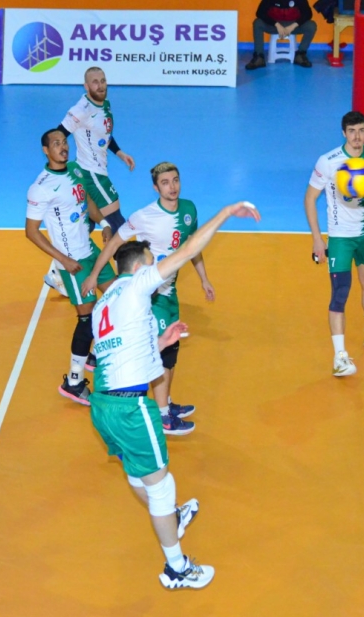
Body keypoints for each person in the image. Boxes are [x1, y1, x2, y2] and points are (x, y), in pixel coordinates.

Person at [89, 200, 260, 590]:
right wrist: (225, 213)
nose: (157, 267)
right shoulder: (138, 285)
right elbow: (188, 250)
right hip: (131, 408)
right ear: (139, 267)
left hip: (103, 406)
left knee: (137, 471)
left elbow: (116, 352)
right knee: (161, 485)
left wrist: (161, 341)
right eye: (153, 262)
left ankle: (170, 516)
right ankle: (177, 568)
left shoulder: (105, 302)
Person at [83, 162, 215, 436]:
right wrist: (94, 274)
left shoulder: (189, 209)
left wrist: (203, 278)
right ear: (156, 188)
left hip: (171, 291)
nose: (172, 187)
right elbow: (114, 243)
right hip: (153, 296)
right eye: (165, 182)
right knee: (162, 354)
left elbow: (192, 248)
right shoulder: (144, 216)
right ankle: (164, 416)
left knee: (171, 353)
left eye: (175, 180)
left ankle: (166, 403)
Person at [25, 128, 117, 406]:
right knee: (86, 320)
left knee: (116, 298)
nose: (63, 147)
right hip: (73, 263)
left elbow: (87, 200)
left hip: (91, 252)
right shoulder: (40, 187)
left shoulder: (75, 170)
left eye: (64, 142)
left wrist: (103, 224)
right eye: (56, 144)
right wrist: (63, 261)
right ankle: (74, 382)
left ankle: (94, 356)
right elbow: (31, 231)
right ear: (45, 151)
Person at [305, 110, 364, 377]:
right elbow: (310, 199)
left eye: (362, 130)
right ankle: (340, 357)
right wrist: (317, 239)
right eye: (352, 131)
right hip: (340, 237)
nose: (357, 136)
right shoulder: (329, 161)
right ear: (343, 133)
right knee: (340, 293)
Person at [42, 67, 137, 296]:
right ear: (86, 86)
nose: (100, 85)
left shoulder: (104, 104)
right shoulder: (80, 110)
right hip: (91, 174)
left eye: (103, 81)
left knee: (87, 224)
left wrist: (119, 153)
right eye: (95, 82)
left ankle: (58, 274)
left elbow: (103, 134)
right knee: (117, 223)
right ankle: (125, 279)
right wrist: (58, 167)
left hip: (96, 170)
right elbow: (58, 134)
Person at [245, 0, 317, 70]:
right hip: (274, 26)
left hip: (293, 26)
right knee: (257, 23)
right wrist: (276, 24)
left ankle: (300, 55)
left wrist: (293, 26)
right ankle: (259, 57)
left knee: (311, 25)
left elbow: (308, 14)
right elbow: (260, 13)